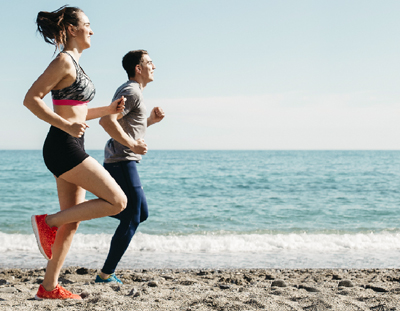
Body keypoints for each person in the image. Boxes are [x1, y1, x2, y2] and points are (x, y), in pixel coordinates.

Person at [23, 6, 128, 300]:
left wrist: (107, 110)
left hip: (70, 144)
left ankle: (48, 287)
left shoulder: (75, 65)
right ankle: (47, 222)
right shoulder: (63, 62)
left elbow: (76, 111)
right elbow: (31, 99)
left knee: (73, 222)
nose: (92, 30)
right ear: (72, 29)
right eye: (87, 25)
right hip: (62, 146)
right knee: (118, 201)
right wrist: (64, 125)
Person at [96, 50, 164, 283]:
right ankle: (106, 274)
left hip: (125, 158)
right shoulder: (131, 91)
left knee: (139, 213)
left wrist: (149, 122)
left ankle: (86, 210)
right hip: (121, 160)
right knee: (133, 215)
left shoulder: (135, 93)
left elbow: (126, 125)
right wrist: (133, 145)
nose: (154, 66)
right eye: (149, 62)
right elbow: (106, 120)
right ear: (138, 67)